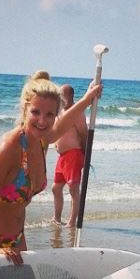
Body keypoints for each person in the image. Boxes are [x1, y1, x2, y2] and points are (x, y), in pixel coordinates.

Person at [0, 72, 102, 265]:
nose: (42, 121)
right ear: (25, 109)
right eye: (36, 112)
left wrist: (87, 100)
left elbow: (64, 124)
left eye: (49, 114)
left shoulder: (41, 141)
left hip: (17, 239)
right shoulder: (10, 146)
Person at [51, 84, 88, 227]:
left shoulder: (76, 113)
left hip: (74, 153)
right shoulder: (60, 111)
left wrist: (85, 155)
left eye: (63, 95)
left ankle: (72, 222)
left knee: (73, 188)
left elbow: (84, 134)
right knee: (56, 188)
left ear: (71, 96)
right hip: (62, 156)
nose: (60, 97)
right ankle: (57, 218)